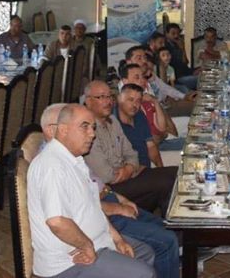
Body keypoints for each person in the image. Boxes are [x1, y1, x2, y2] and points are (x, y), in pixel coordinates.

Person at [39, 104, 177, 278]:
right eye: (84, 127)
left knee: (145, 252)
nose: (92, 134)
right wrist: (87, 245)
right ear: (61, 129)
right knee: (146, 271)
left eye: (93, 127)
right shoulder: (52, 166)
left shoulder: (75, 161)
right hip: (70, 258)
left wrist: (117, 239)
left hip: (100, 236)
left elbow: (93, 205)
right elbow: (57, 221)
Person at [82, 81, 177, 215]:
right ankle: (164, 221)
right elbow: (106, 176)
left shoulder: (113, 121)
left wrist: (129, 168)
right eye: (101, 97)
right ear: (88, 101)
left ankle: (166, 219)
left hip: (129, 174)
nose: (107, 101)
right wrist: (130, 170)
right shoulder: (86, 130)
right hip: (111, 188)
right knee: (165, 182)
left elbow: (132, 154)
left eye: (109, 97)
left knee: (176, 173)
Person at [118, 64, 176, 145]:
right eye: (137, 78)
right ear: (125, 81)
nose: (142, 80)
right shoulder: (127, 105)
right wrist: (164, 135)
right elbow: (150, 139)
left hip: (162, 140)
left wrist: (155, 102)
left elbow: (162, 127)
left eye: (143, 77)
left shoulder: (147, 97)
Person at [164, 23, 195, 90]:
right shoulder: (166, 48)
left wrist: (182, 48)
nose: (176, 36)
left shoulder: (177, 44)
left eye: (178, 33)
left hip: (185, 73)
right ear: (167, 34)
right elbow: (178, 66)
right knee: (198, 80)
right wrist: (182, 49)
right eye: (173, 33)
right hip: (177, 77)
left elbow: (186, 62)